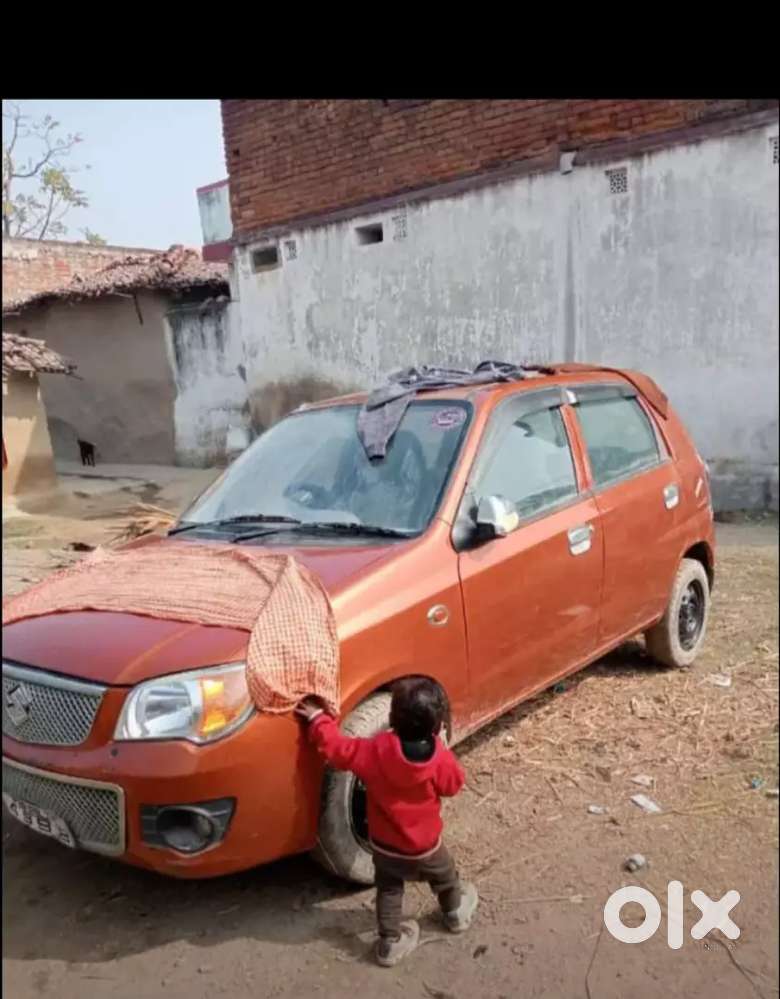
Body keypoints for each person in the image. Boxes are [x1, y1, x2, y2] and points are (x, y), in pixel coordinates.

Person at [295, 677, 478, 967]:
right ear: (437, 726)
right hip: (427, 847)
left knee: (390, 891)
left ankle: (390, 942)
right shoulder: (439, 759)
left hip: (385, 848)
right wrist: (442, 746)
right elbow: (453, 785)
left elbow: (337, 749)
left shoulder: (374, 751)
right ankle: (454, 913)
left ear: (392, 717)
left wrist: (318, 719)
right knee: (446, 877)